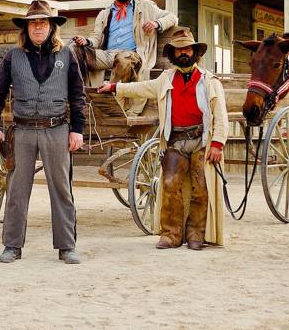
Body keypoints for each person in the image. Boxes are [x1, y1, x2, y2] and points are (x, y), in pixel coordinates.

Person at [98, 28, 228, 250]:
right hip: (175, 140)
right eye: (179, 50)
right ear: (173, 54)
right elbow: (141, 88)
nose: (183, 53)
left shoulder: (209, 81)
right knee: (168, 183)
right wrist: (115, 86)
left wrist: (217, 143)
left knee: (201, 186)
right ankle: (171, 234)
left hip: (202, 141)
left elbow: (220, 115)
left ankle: (196, 233)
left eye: (187, 48)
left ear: (194, 52)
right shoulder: (166, 79)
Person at [0, 0, 86, 264]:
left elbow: (77, 95)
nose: (38, 27)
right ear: (26, 28)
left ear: (52, 27)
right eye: (33, 23)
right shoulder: (12, 56)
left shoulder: (67, 55)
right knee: (17, 190)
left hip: (57, 129)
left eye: (43, 22)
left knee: (61, 189)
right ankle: (12, 245)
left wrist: (77, 130)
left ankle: (66, 246)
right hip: (23, 131)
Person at [72, 0, 178, 114]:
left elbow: (172, 17)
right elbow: (96, 37)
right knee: (72, 50)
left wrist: (157, 23)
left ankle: (114, 105)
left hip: (132, 54)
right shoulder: (105, 13)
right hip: (107, 55)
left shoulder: (146, 7)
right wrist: (86, 41)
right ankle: (78, 98)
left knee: (123, 59)